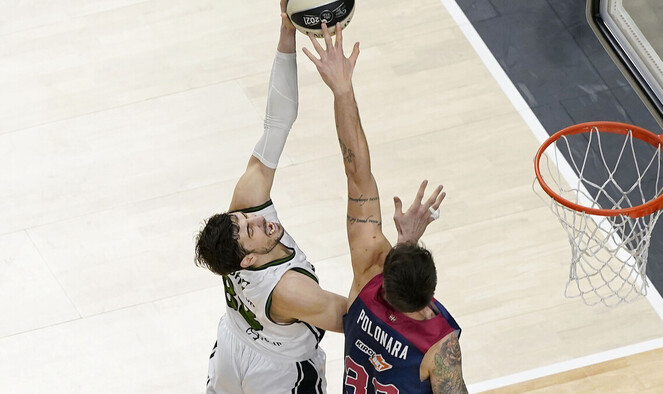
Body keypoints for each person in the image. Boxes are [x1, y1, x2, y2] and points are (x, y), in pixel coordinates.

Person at [302, 23, 469, 393]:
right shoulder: (441, 347)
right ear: (432, 290)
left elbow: (356, 173)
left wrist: (342, 89)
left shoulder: (367, 275)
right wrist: (406, 243)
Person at [193, 4, 347, 393]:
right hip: (278, 375)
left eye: (246, 219)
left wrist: (287, 31)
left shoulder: (243, 214)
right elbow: (356, 318)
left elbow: (277, 121)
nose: (257, 218)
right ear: (248, 259)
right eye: (251, 229)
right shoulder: (290, 290)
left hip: (232, 347)